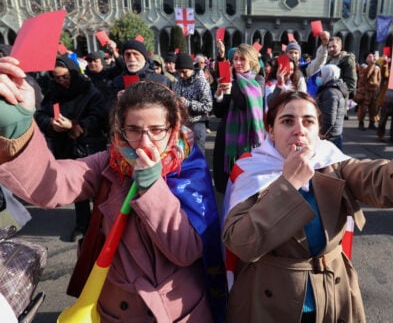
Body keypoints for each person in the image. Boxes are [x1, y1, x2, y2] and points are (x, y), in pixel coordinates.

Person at [0, 58, 227, 322]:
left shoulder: (190, 169)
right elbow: (50, 185)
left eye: (156, 130)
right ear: (119, 129)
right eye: (133, 129)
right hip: (117, 310)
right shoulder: (108, 163)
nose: (144, 142)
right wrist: (18, 127)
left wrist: (152, 187)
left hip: (176, 310)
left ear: (173, 128)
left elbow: (186, 251)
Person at [222, 84, 393, 323]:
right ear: (271, 131)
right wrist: (288, 184)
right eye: (287, 121)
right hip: (269, 303)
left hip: (334, 296)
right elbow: (242, 243)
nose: (299, 130)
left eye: (308, 122)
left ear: (318, 130)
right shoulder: (251, 171)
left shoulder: (333, 163)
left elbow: (387, 184)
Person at [34, 56, 109, 242]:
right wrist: (51, 124)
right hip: (65, 148)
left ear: (73, 72)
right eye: (57, 78)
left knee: (98, 189)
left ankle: (102, 224)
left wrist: (76, 126)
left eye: (65, 76)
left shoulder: (90, 91)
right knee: (76, 190)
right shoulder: (53, 94)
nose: (62, 81)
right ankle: (82, 225)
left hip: (89, 147)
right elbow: (41, 115)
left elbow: (99, 117)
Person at [212, 43, 265, 194]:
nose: (238, 63)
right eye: (235, 59)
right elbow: (218, 112)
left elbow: (244, 104)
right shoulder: (228, 80)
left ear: (252, 63)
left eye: (242, 59)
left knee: (245, 185)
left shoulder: (257, 81)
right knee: (225, 184)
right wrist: (219, 94)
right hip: (226, 137)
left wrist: (232, 88)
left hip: (247, 139)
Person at [172, 52, 213, 155]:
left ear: (191, 69)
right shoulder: (177, 83)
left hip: (197, 125)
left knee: (197, 157)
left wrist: (188, 103)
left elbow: (208, 106)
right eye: (179, 72)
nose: (181, 75)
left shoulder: (201, 82)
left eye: (184, 72)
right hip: (181, 125)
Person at [313, 64, 348, 149]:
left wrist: (322, 133)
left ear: (328, 74)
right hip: (333, 134)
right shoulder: (332, 90)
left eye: (321, 74)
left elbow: (329, 118)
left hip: (330, 136)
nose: (318, 77)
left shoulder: (330, 93)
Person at [355, 53, 381, 130]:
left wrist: (378, 88)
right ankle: (361, 123)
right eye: (370, 56)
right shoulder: (363, 67)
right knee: (363, 108)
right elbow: (365, 76)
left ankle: (372, 123)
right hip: (365, 91)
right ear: (366, 59)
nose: (372, 58)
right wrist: (371, 65)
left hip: (374, 90)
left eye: (373, 56)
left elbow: (379, 79)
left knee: (373, 108)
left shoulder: (377, 68)